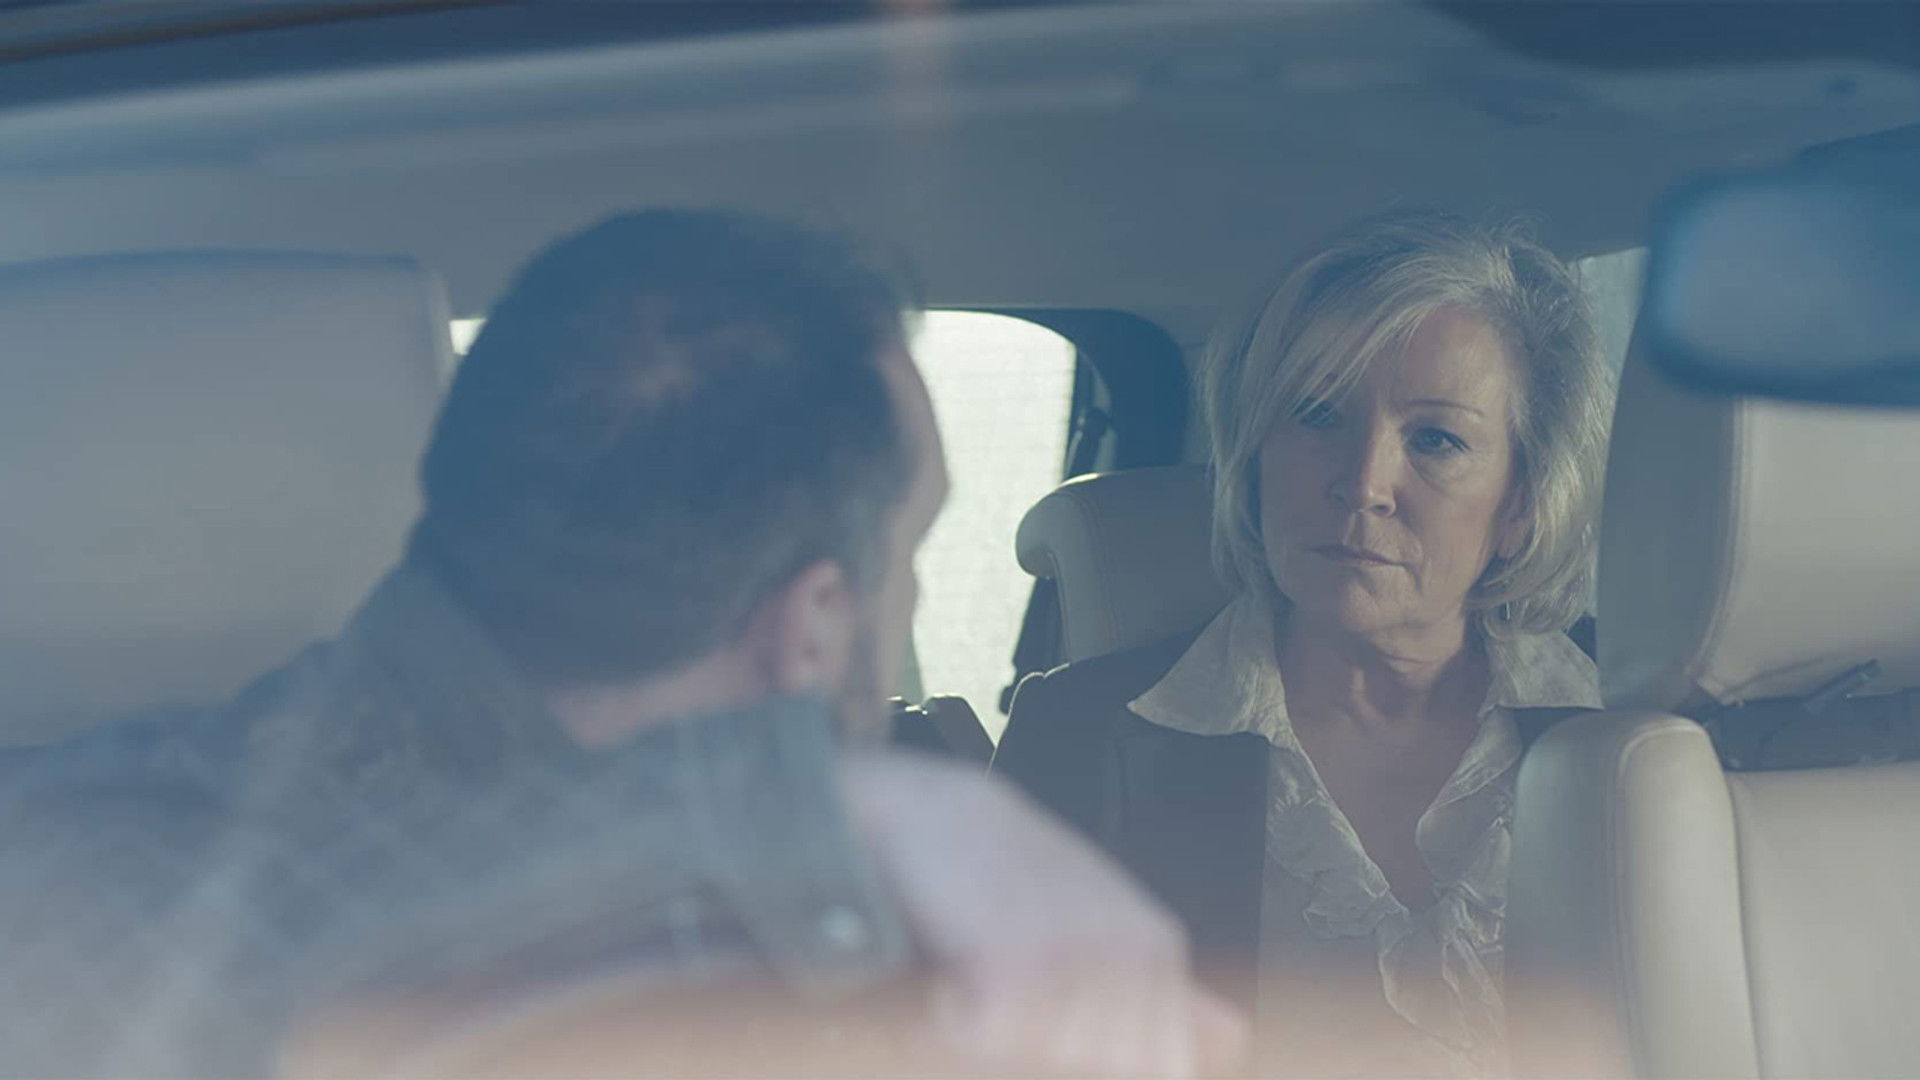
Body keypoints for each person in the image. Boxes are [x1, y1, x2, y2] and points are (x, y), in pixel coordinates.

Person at [0, 210, 1240, 1078]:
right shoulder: (790, 966)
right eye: (912, 550)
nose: (910, 595)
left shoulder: (83, 838)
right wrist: (848, 809)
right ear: (813, 627)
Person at [993, 211, 1615, 1078]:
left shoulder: (1643, 723)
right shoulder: (1078, 737)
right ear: (1254, 456)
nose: (1363, 483)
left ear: (1522, 504)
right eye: (1317, 416)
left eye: (1435, 439)